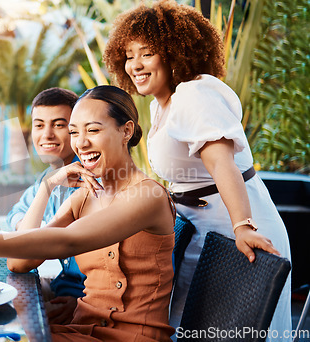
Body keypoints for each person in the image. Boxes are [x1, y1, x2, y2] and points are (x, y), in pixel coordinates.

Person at [0, 85, 177, 342]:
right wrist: (48, 185)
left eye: (92, 130)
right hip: (79, 330)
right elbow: (19, 263)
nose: (81, 143)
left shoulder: (148, 196)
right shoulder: (84, 196)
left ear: (126, 131)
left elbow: (66, 242)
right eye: (75, 132)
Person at [102, 0, 292, 339]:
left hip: (237, 229)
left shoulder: (194, 93)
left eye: (146, 53)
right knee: (192, 328)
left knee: (226, 332)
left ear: (175, 52)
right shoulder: (164, 104)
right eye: (129, 55)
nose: (135, 65)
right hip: (202, 229)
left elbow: (222, 163)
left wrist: (243, 226)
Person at [6, 87, 87, 325]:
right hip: (61, 290)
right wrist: (25, 226)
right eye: (39, 125)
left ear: (76, 130)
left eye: (59, 125)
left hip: (83, 304)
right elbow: (16, 213)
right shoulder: (50, 176)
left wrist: (84, 301)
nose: (47, 135)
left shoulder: (88, 181)